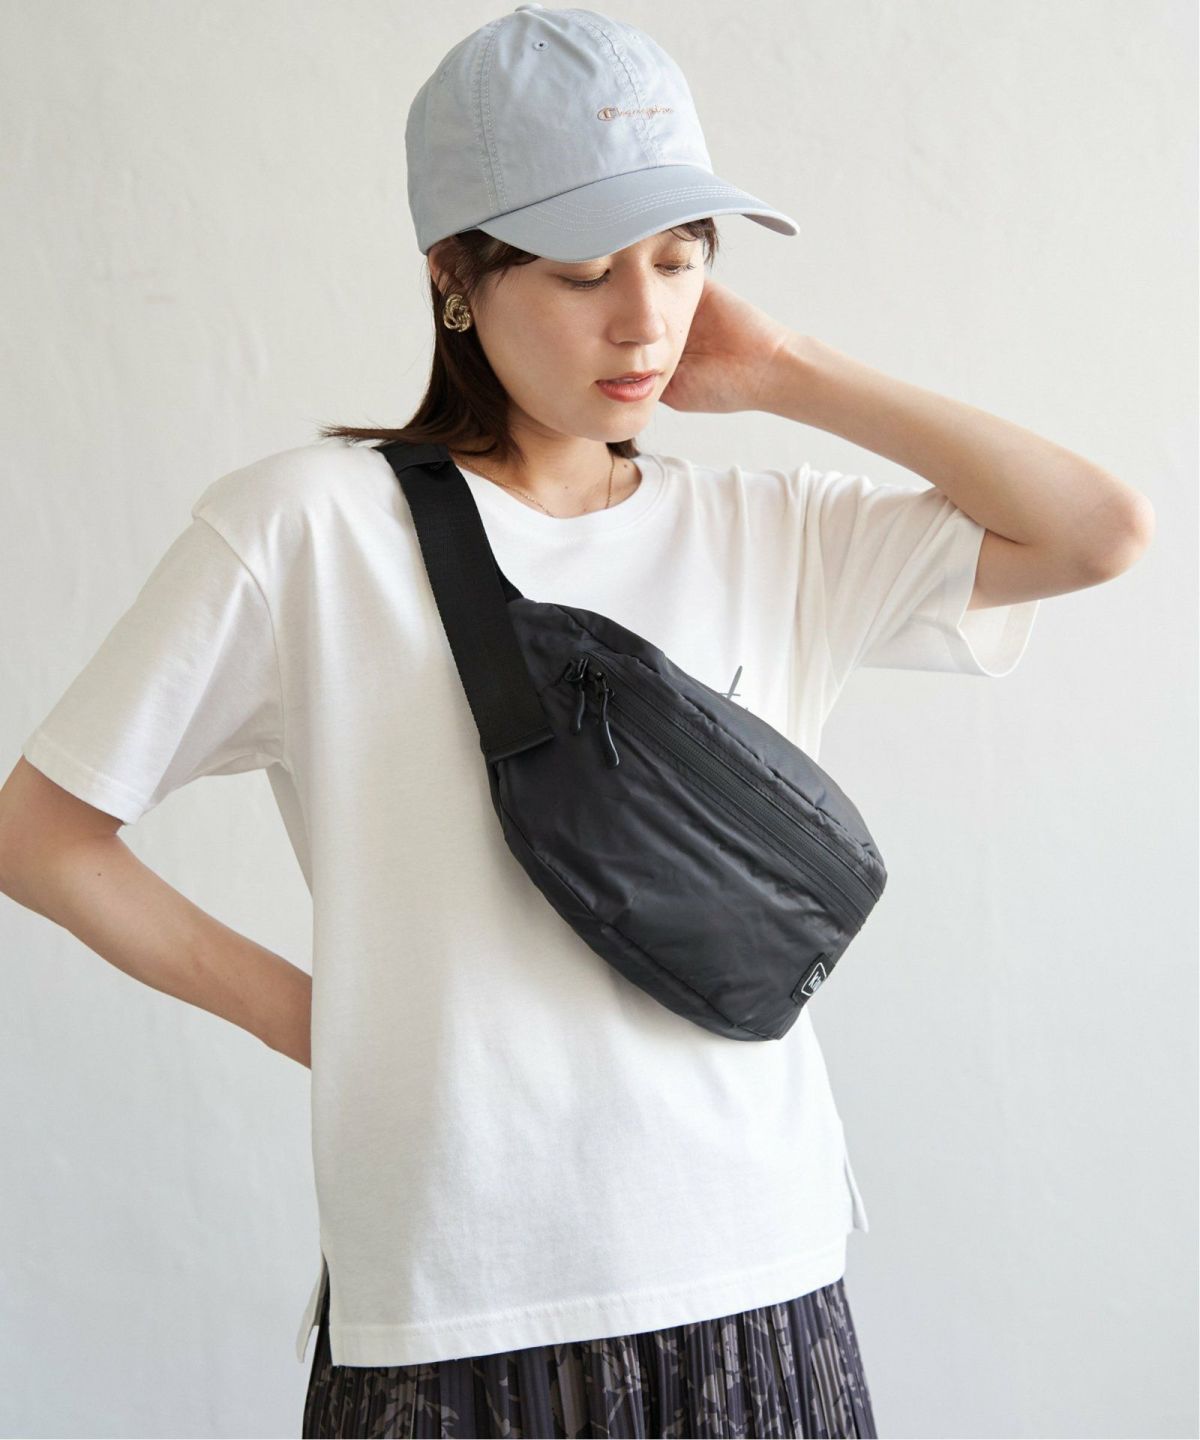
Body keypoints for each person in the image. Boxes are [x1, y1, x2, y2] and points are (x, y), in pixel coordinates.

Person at [0, 7, 1153, 1440]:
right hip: (459, 1303)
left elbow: (1096, 532)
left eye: (681, 256)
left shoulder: (770, 531)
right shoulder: (307, 530)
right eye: (583, 270)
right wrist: (319, 1020)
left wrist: (787, 369)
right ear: (453, 275)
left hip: (758, 1267)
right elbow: (42, 835)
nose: (645, 319)